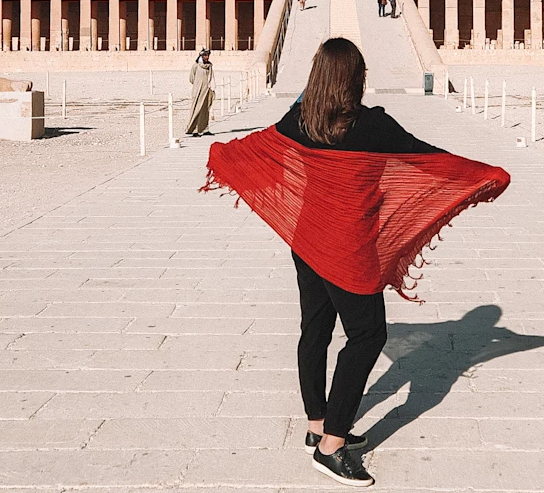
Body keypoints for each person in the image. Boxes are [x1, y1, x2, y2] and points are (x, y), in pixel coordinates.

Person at [202, 38, 509, 487]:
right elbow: (431, 159)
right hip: (348, 247)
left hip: (306, 240)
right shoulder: (373, 125)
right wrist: (486, 175)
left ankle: (315, 424)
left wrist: (223, 155)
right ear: (357, 79)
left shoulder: (299, 118)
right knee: (368, 335)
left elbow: (260, 149)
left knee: (316, 328)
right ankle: (331, 446)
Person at [185, 49, 215, 136]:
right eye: (205, 55)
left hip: (207, 91)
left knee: (205, 110)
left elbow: (211, 77)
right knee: (196, 110)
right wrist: (199, 85)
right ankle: (194, 130)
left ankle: (204, 128)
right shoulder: (196, 66)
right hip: (198, 91)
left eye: (208, 55)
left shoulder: (209, 66)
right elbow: (191, 78)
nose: (207, 57)